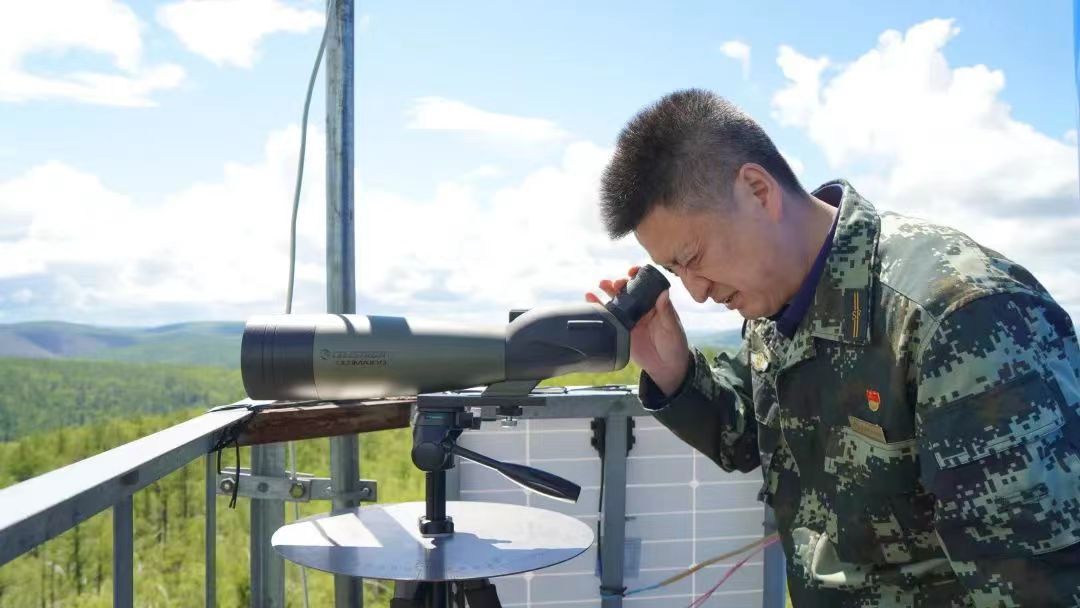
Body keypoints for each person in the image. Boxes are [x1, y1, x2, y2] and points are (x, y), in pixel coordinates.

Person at [587, 89, 1080, 607]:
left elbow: (1038, 584)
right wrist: (670, 369)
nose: (696, 292)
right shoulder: (776, 308)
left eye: (694, 257)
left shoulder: (958, 315)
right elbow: (746, 438)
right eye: (674, 270)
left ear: (758, 191)